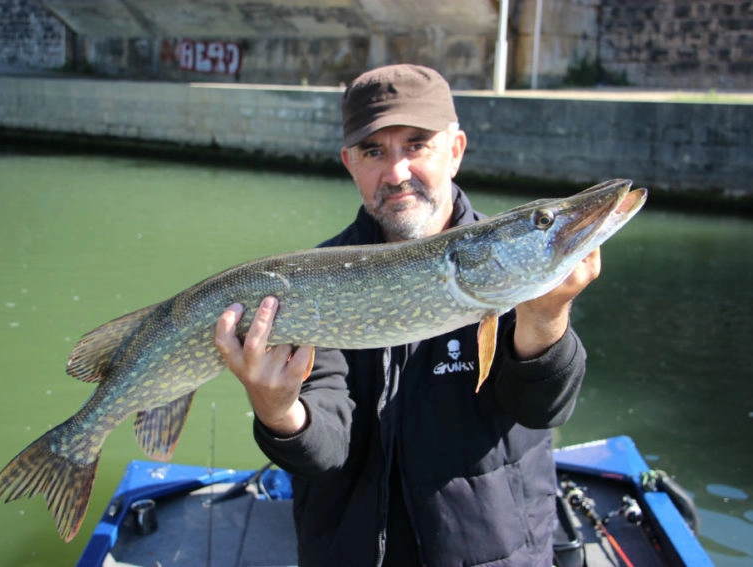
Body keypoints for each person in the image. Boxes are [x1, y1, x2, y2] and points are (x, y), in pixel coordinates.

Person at [215, 64, 600, 566]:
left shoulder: (506, 264)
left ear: (455, 150)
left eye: (416, 145)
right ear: (349, 163)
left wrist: (547, 318)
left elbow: (543, 410)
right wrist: (277, 409)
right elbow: (325, 450)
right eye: (374, 151)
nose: (396, 173)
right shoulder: (311, 283)